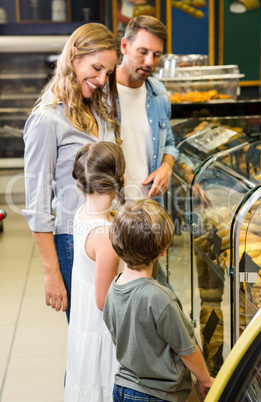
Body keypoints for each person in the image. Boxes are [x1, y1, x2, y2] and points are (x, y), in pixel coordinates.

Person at [22, 23, 120, 321]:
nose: (102, 79)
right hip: (72, 240)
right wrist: (52, 274)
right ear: (74, 55)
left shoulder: (99, 112)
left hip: (112, 234)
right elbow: (37, 207)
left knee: (111, 341)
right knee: (88, 337)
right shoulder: (47, 120)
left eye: (108, 73)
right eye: (96, 67)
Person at [103, 199, 214, 401]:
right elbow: (187, 350)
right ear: (163, 250)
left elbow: (119, 342)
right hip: (156, 395)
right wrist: (205, 379)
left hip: (122, 388)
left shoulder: (114, 287)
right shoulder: (160, 298)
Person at [64, 141, 126, 402]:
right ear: (119, 177)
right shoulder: (105, 236)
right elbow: (104, 301)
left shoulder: (84, 212)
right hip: (103, 331)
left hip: (84, 320)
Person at [116, 15, 178, 202]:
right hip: (110, 211)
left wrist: (166, 167)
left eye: (156, 55)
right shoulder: (100, 92)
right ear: (125, 46)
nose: (150, 62)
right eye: (142, 52)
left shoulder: (158, 93)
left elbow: (169, 144)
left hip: (149, 210)